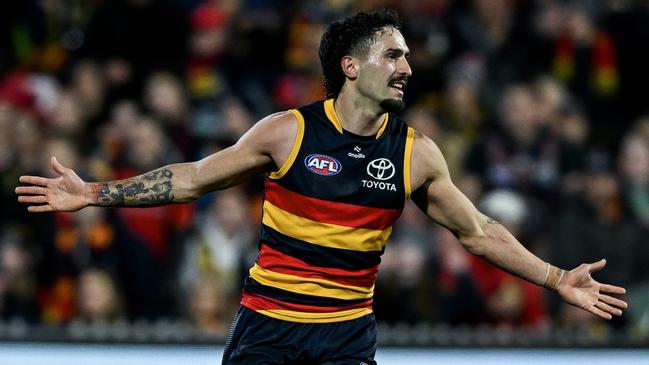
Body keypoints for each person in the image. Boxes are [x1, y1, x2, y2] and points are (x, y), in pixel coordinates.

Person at [16, 9, 626, 365]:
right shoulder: (287, 133)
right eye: (393, 55)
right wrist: (95, 193)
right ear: (351, 66)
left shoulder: (416, 154)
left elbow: (477, 232)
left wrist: (553, 278)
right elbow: (194, 179)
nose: (408, 67)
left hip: (347, 340)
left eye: (408, 56)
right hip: (267, 333)